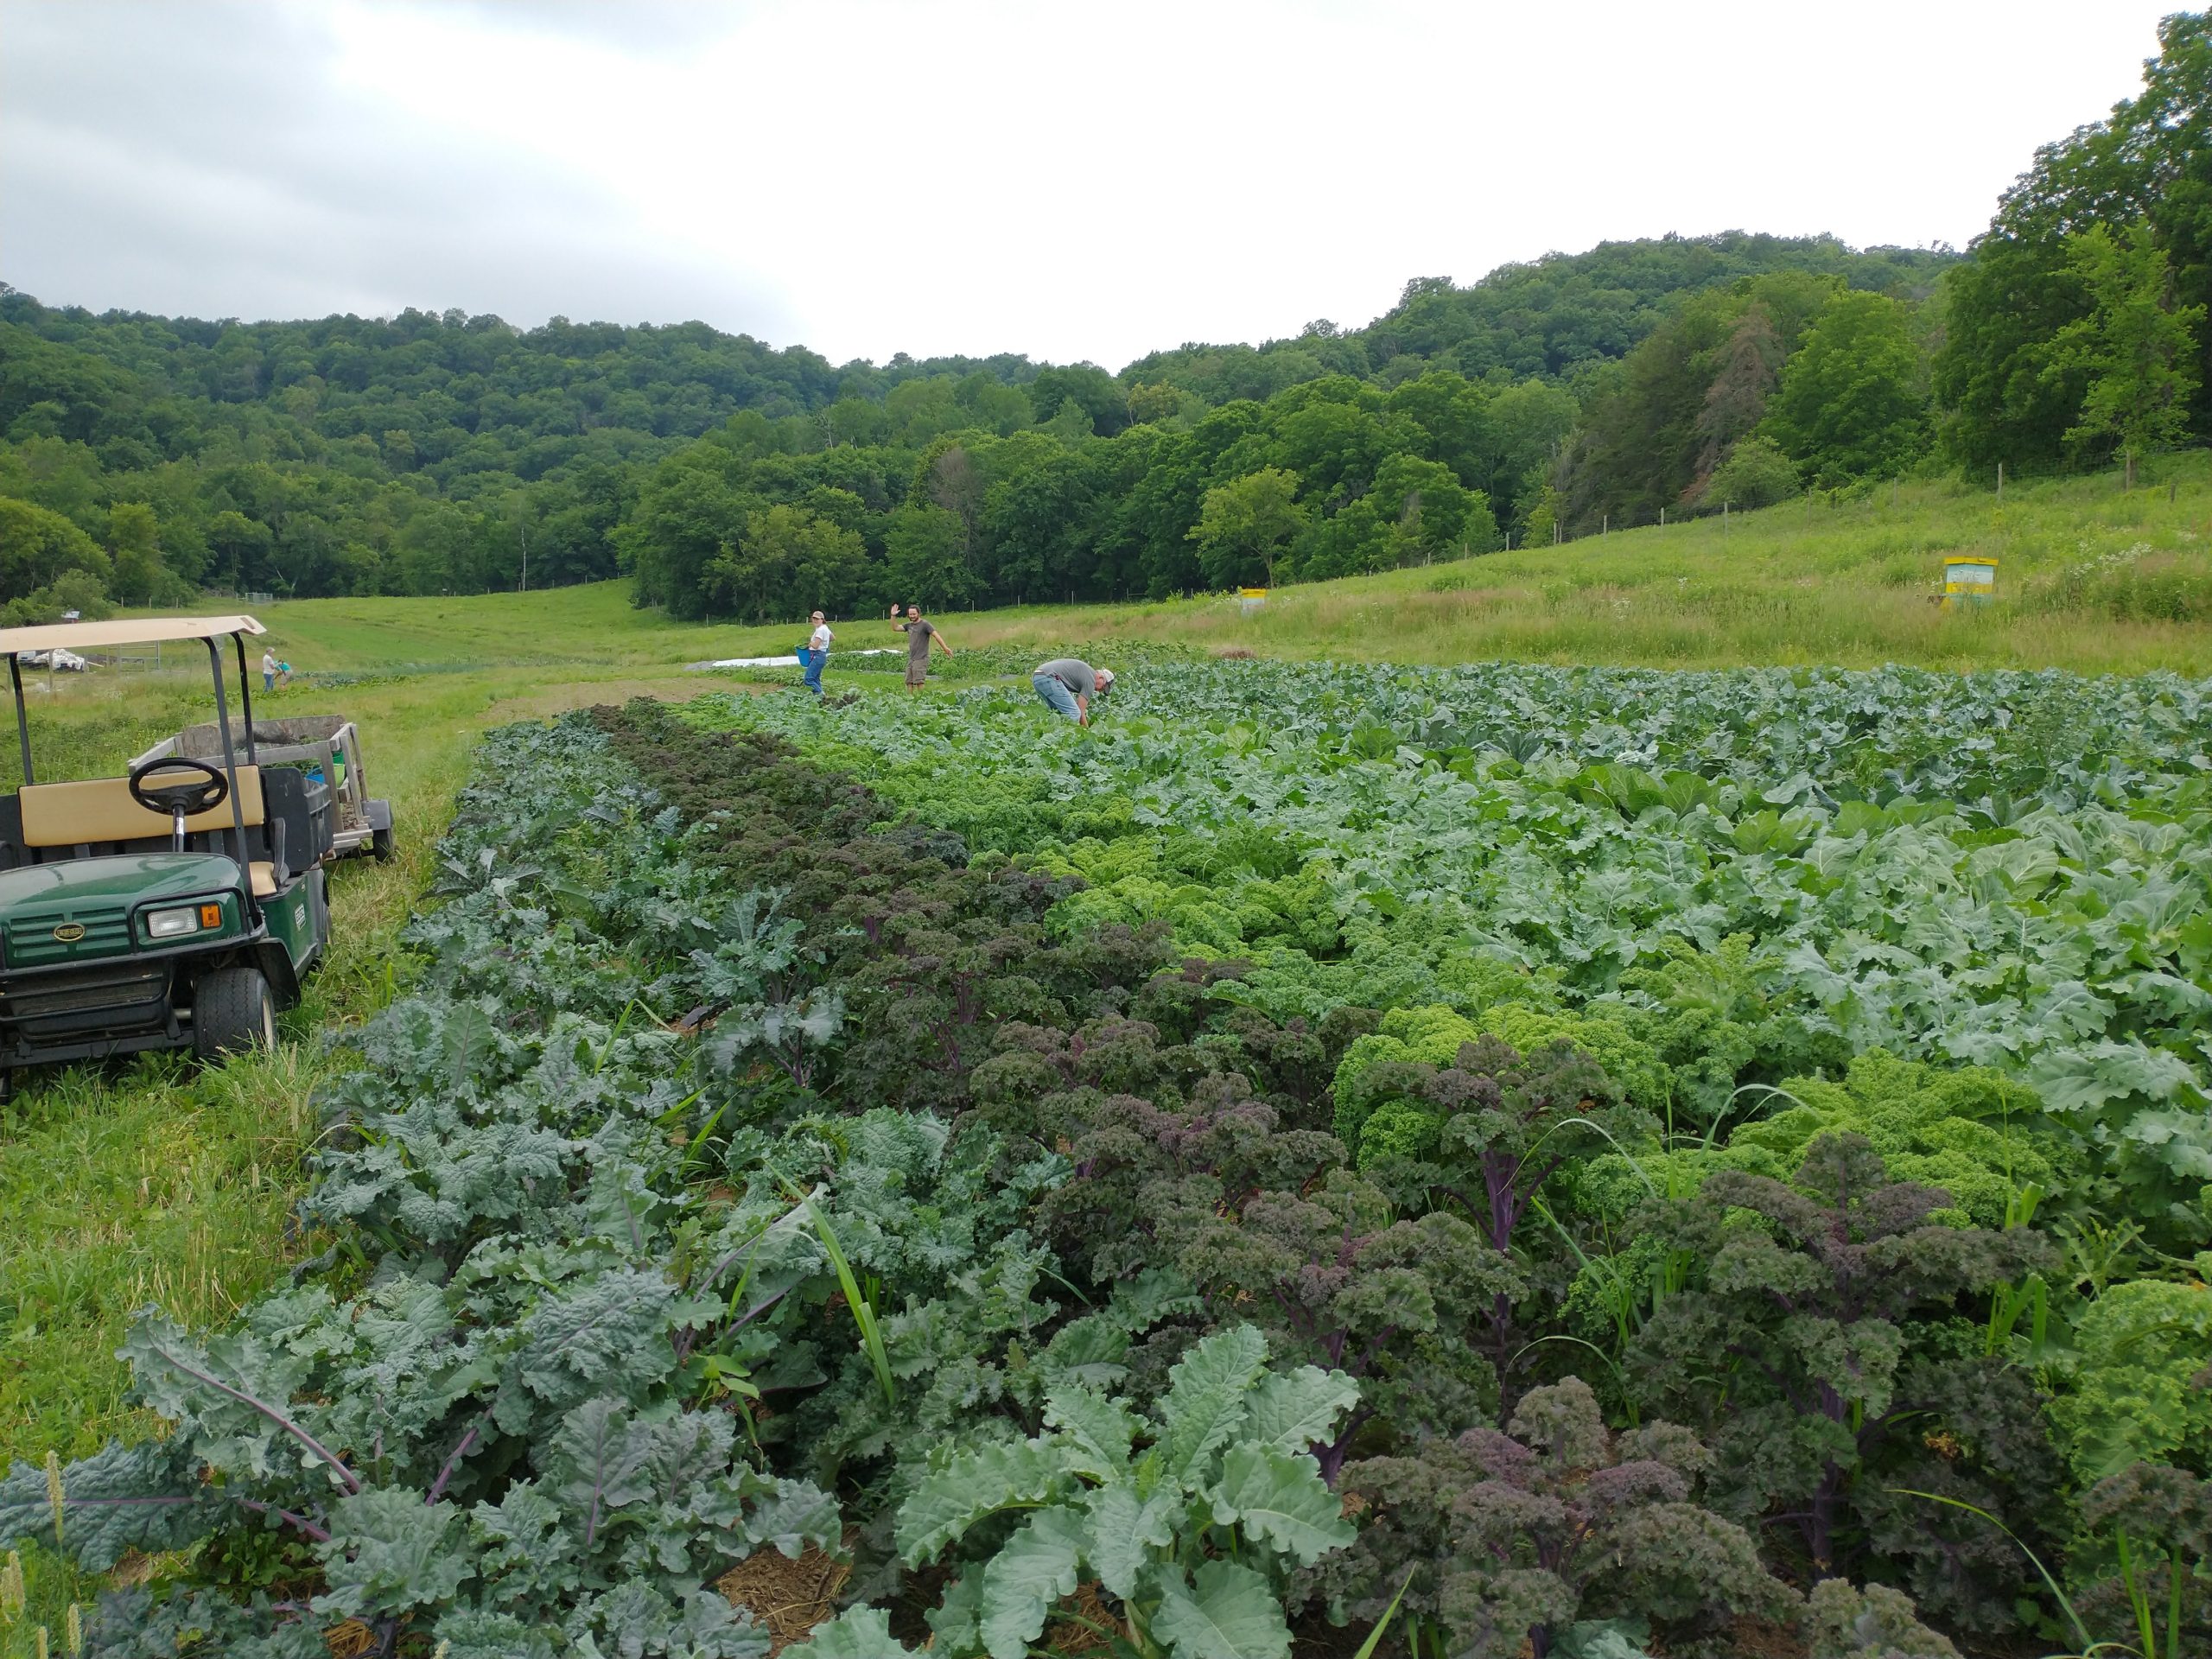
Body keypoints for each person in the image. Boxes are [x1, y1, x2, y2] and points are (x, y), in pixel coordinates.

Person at [1033, 658, 1113, 726]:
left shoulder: (1087, 672)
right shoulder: (1091, 679)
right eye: (1103, 687)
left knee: (1057, 713)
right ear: (1101, 678)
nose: (1100, 690)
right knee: (1074, 713)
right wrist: (1086, 733)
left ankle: (1053, 738)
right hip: (1049, 677)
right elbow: (1081, 711)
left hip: (1038, 676)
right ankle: (1063, 739)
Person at [895, 604, 950, 692]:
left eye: (914, 614)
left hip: (921, 658)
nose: (912, 616)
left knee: (919, 682)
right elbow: (895, 628)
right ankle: (910, 701)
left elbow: (936, 635)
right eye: (910, 614)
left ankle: (922, 701)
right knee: (909, 681)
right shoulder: (909, 625)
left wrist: (945, 648)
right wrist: (893, 616)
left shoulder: (925, 624)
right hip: (911, 658)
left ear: (919, 613)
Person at [802, 610, 832, 696]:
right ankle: (819, 698)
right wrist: (825, 643)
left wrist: (810, 643)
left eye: (817, 619)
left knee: (808, 679)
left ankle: (821, 694)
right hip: (821, 655)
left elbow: (815, 645)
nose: (815, 620)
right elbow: (833, 638)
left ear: (822, 619)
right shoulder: (825, 628)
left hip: (817, 655)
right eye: (814, 618)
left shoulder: (820, 630)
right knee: (815, 679)